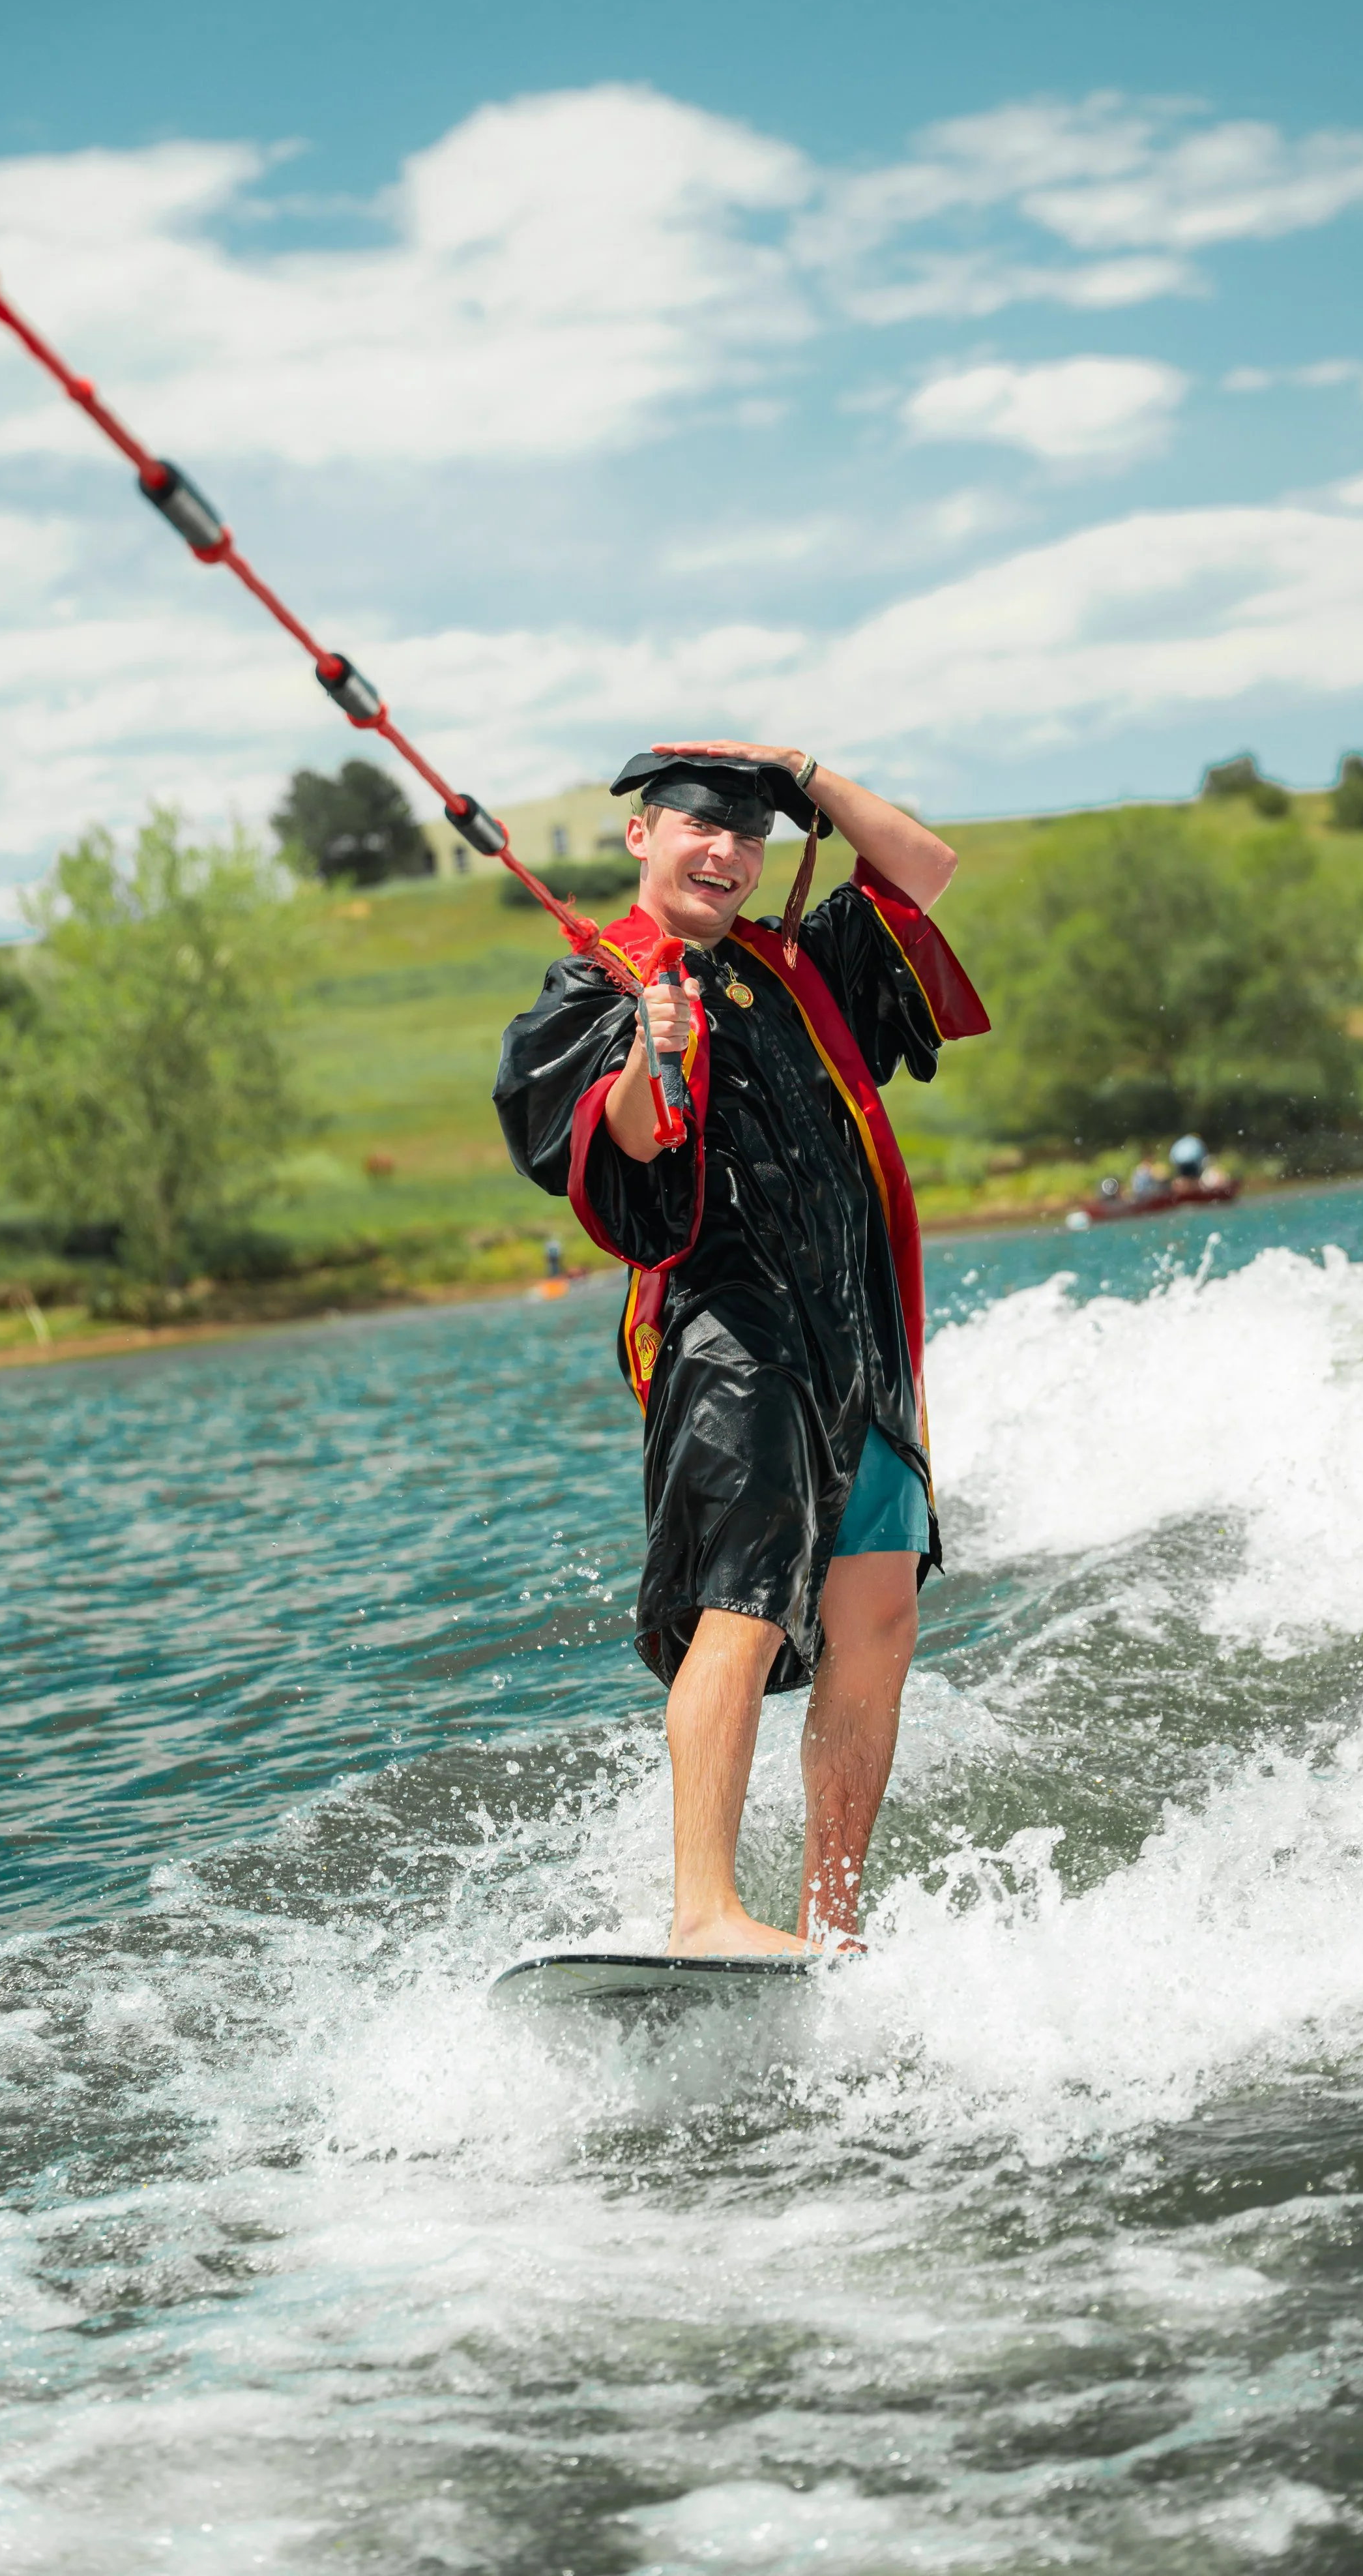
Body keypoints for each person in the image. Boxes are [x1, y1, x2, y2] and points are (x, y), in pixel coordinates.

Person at [494, 741, 988, 1956]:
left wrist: (801, 770)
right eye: (697, 827)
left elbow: (923, 867)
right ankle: (704, 1908)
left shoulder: (799, 968)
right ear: (641, 837)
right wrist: (648, 1054)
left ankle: (832, 1921)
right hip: (732, 1330)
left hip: (863, 1339)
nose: (723, 849)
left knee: (877, 1621)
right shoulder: (593, 992)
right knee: (746, 1597)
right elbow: (625, 1153)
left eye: (747, 834)